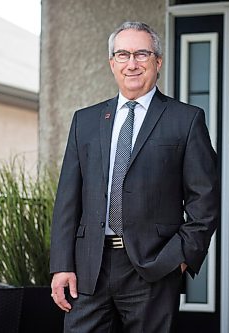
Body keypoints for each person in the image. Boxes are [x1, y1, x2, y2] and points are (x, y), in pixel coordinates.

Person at [50, 21, 219, 333]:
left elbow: (204, 200)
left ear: (157, 61)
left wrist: (180, 256)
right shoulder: (85, 121)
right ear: (112, 63)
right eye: (123, 55)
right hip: (90, 267)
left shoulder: (186, 119)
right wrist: (62, 265)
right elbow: (68, 199)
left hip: (153, 266)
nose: (132, 64)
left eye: (142, 54)